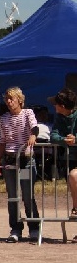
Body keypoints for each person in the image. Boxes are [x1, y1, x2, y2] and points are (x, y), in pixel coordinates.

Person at [0, 86, 40, 243]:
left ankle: (34, 228)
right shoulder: (3, 118)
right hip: (10, 160)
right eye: (6, 99)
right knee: (12, 197)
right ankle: (15, 228)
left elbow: (35, 126)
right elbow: (1, 141)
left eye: (11, 99)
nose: (8, 101)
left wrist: (33, 135)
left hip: (26, 161)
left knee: (27, 195)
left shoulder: (27, 113)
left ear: (19, 100)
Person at [48, 88, 77, 217]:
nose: (54, 106)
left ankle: (76, 208)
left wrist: (76, 139)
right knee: (74, 188)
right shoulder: (59, 118)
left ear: (63, 106)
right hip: (69, 159)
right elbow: (53, 136)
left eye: (56, 104)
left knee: (74, 176)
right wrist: (64, 140)